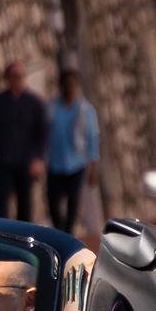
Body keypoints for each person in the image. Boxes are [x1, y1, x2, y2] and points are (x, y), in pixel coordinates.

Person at [0, 59, 48, 223]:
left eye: (20, 76)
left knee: (24, 206)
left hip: (25, 162)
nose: (17, 79)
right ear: (7, 78)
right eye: (13, 76)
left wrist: (38, 159)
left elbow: (42, 135)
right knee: (0, 205)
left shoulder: (35, 104)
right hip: (3, 161)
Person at [45, 67, 99, 235]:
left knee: (73, 205)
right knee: (53, 204)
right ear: (60, 86)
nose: (69, 88)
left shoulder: (85, 110)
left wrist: (93, 167)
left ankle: (67, 235)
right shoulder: (51, 108)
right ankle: (60, 231)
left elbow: (92, 138)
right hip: (54, 164)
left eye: (73, 84)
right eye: (66, 84)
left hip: (76, 164)